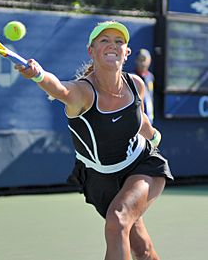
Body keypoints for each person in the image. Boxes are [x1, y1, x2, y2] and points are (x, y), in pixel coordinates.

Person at [15, 21, 173, 260]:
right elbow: (59, 89)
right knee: (143, 250)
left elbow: (139, 121)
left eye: (119, 41)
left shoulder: (136, 85)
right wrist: (38, 74)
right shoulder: (82, 93)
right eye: (104, 41)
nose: (113, 46)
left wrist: (155, 137)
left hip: (142, 166)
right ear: (91, 50)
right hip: (100, 179)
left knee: (118, 220)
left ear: (127, 51)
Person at [133, 48, 155, 124]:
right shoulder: (132, 78)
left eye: (144, 59)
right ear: (136, 61)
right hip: (136, 120)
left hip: (149, 119)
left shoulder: (150, 77)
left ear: (149, 61)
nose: (142, 63)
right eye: (140, 60)